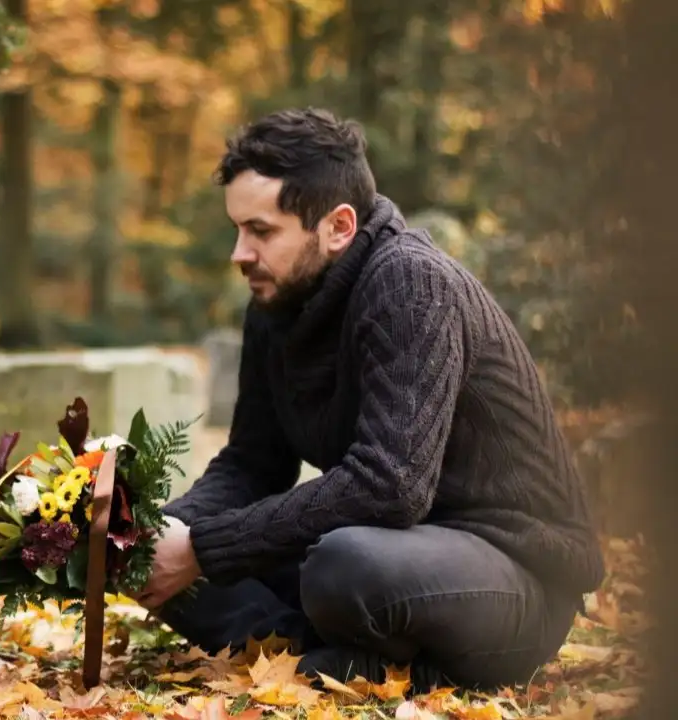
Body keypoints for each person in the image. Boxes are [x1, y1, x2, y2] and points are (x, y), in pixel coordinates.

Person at [130, 107, 605, 692]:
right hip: (397, 554)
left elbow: (391, 485)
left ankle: (373, 663)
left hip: (512, 575)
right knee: (158, 557)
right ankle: (315, 660)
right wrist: (163, 532)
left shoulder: (410, 283)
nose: (239, 253)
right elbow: (253, 462)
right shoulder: (274, 306)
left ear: (339, 226)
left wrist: (204, 546)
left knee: (341, 564)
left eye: (261, 231)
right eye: (236, 229)